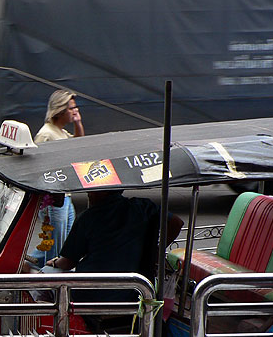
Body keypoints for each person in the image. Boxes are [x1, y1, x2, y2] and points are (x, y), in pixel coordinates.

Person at [45, 189, 183, 310]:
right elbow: (176, 222)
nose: (88, 195)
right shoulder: (143, 207)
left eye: (91, 191)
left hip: (92, 292)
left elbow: (68, 262)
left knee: (45, 277)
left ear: (104, 191)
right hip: (135, 290)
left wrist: (55, 262)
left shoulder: (88, 217)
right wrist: (158, 250)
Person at [26, 89, 85, 267]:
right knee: (55, 247)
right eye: (71, 109)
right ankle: (31, 269)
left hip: (65, 196)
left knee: (64, 244)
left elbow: (80, 145)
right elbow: (36, 164)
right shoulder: (47, 133)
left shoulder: (60, 132)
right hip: (54, 200)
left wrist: (78, 123)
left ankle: (32, 266)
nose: (74, 112)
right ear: (59, 110)